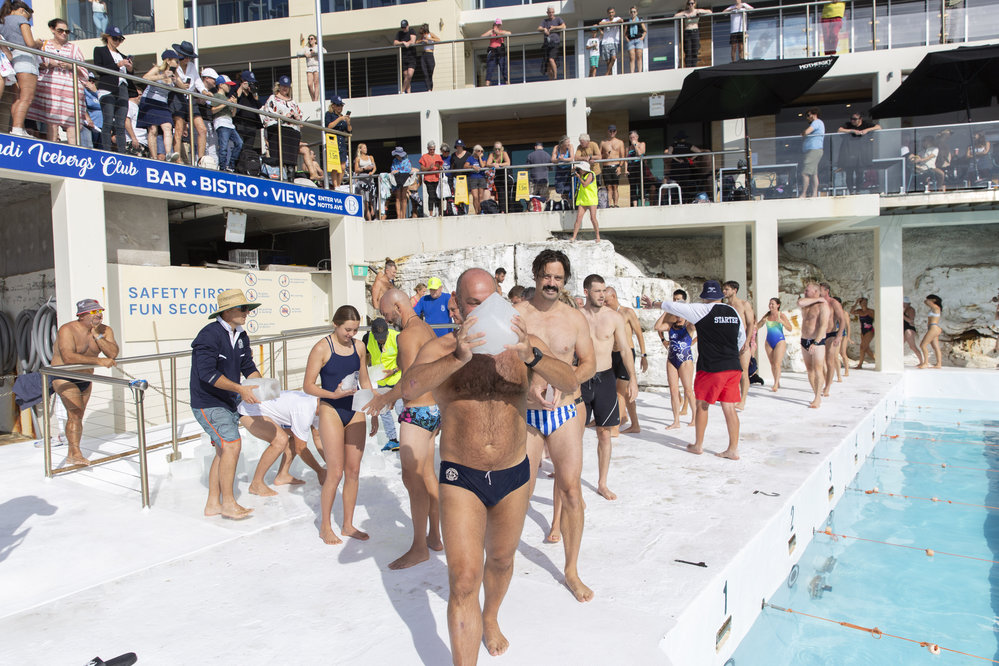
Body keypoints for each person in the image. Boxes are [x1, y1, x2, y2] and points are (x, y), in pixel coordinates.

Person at [401, 267, 577, 662]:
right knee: (463, 580)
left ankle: (491, 616)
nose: (484, 310)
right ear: (457, 307)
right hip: (461, 475)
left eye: (490, 301)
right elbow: (409, 388)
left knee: (500, 560)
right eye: (473, 303)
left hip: (513, 472)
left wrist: (532, 355)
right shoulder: (442, 347)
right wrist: (458, 358)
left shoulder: (522, 343)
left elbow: (570, 382)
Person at [515, 249, 596, 599]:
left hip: (564, 411)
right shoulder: (517, 315)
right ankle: (502, 560)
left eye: (558, 278)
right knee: (520, 491)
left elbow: (590, 363)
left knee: (571, 490)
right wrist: (525, 392)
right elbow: (498, 363)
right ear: (535, 276)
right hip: (527, 413)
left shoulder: (574, 318)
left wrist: (568, 383)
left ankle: (572, 570)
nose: (552, 283)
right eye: (547, 276)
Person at [366, 289, 443, 569]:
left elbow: (412, 382)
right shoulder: (426, 329)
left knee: (413, 482)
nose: (387, 321)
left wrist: (385, 397)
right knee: (427, 475)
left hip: (417, 412)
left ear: (398, 307)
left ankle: (419, 547)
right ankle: (434, 536)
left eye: (387, 315)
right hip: (433, 410)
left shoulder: (408, 335)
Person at [304, 305, 377, 544]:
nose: (351, 334)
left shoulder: (359, 346)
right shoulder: (322, 348)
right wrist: (331, 395)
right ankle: (325, 526)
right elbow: (308, 385)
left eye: (355, 330)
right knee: (335, 471)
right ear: (335, 324)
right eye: (348, 329)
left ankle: (347, 524)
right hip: (331, 409)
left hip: (355, 408)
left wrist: (374, 409)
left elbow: (364, 378)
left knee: (353, 471)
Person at [646, 280, 745, 458]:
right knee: (729, 408)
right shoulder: (732, 312)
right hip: (733, 367)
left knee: (702, 405)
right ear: (720, 296)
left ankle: (698, 445)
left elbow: (674, 306)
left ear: (705, 297)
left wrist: (654, 304)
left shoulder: (702, 310)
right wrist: (730, 354)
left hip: (712, 367)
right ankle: (733, 449)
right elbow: (741, 338)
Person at [190, 289, 261, 519]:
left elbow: (248, 367)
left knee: (223, 450)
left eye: (248, 308)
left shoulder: (240, 335)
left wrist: (262, 384)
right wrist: (240, 389)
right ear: (228, 311)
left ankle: (213, 504)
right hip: (208, 401)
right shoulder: (208, 335)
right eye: (243, 309)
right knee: (231, 445)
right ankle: (229, 503)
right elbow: (207, 374)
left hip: (227, 400)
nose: (247, 312)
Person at [579, 274, 637, 499]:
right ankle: (570, 478)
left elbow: (624, 349)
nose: (602, 295)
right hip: (580, 378)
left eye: (604, 291)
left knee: (604, 434)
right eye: (597, 291)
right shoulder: (576, 317)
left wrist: (632, 378)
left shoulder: (614, 318)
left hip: (605, 379)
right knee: (573, 434)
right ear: (586, 292)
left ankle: (602, 483)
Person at [50, 299, 118, 467]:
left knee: (77, 416)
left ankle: (73, 454)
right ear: (82, 315)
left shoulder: (104, 330)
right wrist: (99, 361)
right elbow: (68, 357)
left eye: (100, 311)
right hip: (63, 376)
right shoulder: (67, 329)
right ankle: (76, 454)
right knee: (75, 412)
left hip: (85, 379)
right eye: (94, 312)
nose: (99, 315)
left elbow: (113, 353)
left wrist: (98, 336)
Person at [238, 390, 326, 494]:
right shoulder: (305, 410)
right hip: (249, 411)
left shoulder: (319, 407)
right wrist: (320, 471)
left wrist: (331, 464)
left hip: (265, 410)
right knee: (280, 440)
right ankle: (256, 484)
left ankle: (282, 475)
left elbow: (318, 437)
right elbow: (300, 448)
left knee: (296, 436)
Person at [26, 18, 89, 145]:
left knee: (72, 123)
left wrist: (71, 66)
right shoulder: (44, 45)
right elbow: (35, 63)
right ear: (52, 29)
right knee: (52, 122)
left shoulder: (74, 48)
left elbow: (84, 71)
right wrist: (49, 63)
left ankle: (74, 152)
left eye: (67, 31)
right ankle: (52, 150)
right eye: (60, 30)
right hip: (50, 90)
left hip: (70, 91)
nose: (64, 33)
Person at [261, 75, 323, 181]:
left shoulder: (292, 101)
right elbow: (269, 114)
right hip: (279, 131)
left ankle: (291, 178)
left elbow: (299, 114)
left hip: (292, 132)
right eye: (283, 86)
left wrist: (297, 117)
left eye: (287, 86)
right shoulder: (273, 98)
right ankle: (281, 177)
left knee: (291, 159)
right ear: (278, 86)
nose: (285, 88)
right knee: (280, 157)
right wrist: (284, 117)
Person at [604, 286, 646, 435]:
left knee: (620, 392)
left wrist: (644, 356)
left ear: (614, 297)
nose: (604, 304)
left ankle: (615, 427)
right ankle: (633, 423)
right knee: (621, 392)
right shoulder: (606, 314)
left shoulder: (627, 312)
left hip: (627, 354)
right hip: (612, 354)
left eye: (606, 301)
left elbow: (639, 334)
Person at [1, 1, 40, 138]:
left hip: (12, 61)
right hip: (25, 59)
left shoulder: (2, 22)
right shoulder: (20, 19)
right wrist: (39, 43)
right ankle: (17, 128)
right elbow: (29, 43)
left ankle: (18, 128)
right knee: (27, 97)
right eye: (28, 16)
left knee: (17, 99)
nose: (28, 19)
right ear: (22, 11)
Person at [92, 26, 134, 153]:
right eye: (114, 38)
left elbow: (130, 76)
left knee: (121, 124)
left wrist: (130, 68)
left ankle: (122, 152)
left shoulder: (122, 55)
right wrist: (118, 65)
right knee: (108, 121)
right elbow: (99, 69)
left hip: (122, 88)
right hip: (107, 89)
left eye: (120, 39)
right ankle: (106, 150)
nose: (117, 41)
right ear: (107, 37)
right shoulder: (100, 50)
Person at [654, 306, 696, 428]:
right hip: (672, 359)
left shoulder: (689, 326)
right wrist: (666, 312)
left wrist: (688, 313)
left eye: (680, 314)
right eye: (676, 314)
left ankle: (694, 418)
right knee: (673, 391)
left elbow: (698, 324)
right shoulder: (670, 326)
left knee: (688, 390)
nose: (677, 317)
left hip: (685, 360)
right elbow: (657, 327)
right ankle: (676, 421)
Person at [136, 50, 180, 161]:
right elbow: (145, 78)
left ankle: (169, 153)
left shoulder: (175, 73)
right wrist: (162, 76)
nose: (178, 63)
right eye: (176, 61)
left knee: (168, 126)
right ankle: (154, 157)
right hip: (150, 100)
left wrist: (177, 81)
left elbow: (183, 88)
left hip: (162, 103)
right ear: (169, 61)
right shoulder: (158, 69)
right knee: (153, 129)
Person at [796, 282, 832, 409]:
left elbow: (823, 325)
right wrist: (817, 298)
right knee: (810, 370)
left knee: (818, 369)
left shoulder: (822, 306)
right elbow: (799, 302)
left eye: (807, 290)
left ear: (816, 292)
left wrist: (816, 342)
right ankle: (816, 393)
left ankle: (817, 397)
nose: (805, 292)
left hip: (817, 341)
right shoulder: (806, 304)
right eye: (805, 290)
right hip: (804, 339)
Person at [721, 281, 755, 411]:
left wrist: (747, 341)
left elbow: (751, 323)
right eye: (724, 289)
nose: (724, 292)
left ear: (735, 290)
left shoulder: (744, 304)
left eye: (727, 289)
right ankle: (732, 396)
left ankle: (743, 399)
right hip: (729, 342)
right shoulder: (725, 306)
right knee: (731, 372)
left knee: (743, 371)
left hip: (742, 341)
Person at [836, 111, 881, 194]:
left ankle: (858, 191)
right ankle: (851, 191)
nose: (852, 121)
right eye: (851, 119)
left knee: (859, 173)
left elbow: (878, 127)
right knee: (849, 173)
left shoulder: (865, 124)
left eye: (855, 119)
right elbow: (839, 130)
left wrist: (867, 130)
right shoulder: (848, 125)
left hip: (861, 154)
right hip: (850, 153)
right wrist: (852, 131)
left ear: (860, 119)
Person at [755, 298, 791, 391]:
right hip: (768, 341)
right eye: (770, 304)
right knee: (772, 363)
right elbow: (757, 327)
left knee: (777, 363)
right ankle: (777, 381)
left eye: (772, 304)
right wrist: (762, 322)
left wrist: (782, 322)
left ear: (778, 305)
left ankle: (775, 384)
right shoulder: (767, 315)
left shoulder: (781, 315)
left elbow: (790, 328)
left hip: (779, 341)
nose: (770, 306)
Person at [819, 282, 848, 396]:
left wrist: (839, 335)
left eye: (820, 290)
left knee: (829, 361)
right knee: (819, 362)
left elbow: (842, 320)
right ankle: (826, 381)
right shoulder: (818, 303)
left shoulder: (833, 303)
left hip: (831, 334)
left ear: (827, 291)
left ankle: (827, 387)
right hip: (820, 335)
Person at [211, 75, 242, 172]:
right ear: (220, 85)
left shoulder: (227, 98)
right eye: (227, 85)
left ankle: (231, 165)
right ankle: (223, 167)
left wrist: (234, 105)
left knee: (239, 143)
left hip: (230, 123)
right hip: (221, 122)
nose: (229, 87)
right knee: (223, 146)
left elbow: (233, 114)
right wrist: (227, 103)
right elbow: (213, 110)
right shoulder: (216, 96)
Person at [323, 95, 350, 187]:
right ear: (333, 106)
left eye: (341, 106)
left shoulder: (342, 117)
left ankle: (338, 184)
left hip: (341, 143)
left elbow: (349, 130)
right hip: (333, 142)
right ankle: (335, 185)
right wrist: (340, 119)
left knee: (343, 167)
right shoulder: (329, 114)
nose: (340, 108)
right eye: (338, 106)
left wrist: (348, 121)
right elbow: (329, 126)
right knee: (334, 166)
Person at [676, 0, 712, 68]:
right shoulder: (685, 12)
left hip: (695, 31)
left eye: (692, 3)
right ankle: (688, 67)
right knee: (688, 51)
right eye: (689, 4)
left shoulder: (697, 11)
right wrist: (684, 15)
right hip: (687, 31)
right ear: (687, 5)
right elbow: (675, 16)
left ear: (694, 4)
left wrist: (699, 12)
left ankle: (693, 66)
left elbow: (710, 11)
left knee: (695, 50)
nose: (691, 5)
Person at [571, 162, 599, 241]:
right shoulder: (582, 174)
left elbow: (585, 184)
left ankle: (597, 236)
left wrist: (579, 177)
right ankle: (574, 237)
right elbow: (571, 172)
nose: (580, 170)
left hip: (591, 199)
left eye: (581, 169)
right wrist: (574, 169)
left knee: (593, 218)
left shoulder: (591, 174)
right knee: (578, 218)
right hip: (583, 199)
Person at [800, 107, 825, 198]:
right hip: (814, 150)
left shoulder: (816, 122)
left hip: (813, 150)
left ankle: (804, 193)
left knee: (805, 173)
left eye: (808, 115)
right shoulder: (818, 123)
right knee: (814, 173)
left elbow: (807, 131)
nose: (807, 117)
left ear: (814, 114)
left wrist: (802, 134)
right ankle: (814, 194)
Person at [600, 125, 627, 207]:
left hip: (616, 166)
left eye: (614, 131)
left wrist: (620, 167)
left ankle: (616, 204)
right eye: (610, 131)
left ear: (616, 132)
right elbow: (599, 156)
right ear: (607, 131)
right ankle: (610, 204)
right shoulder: (603, 142)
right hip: (606, 166)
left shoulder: (620, 142)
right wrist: (605, 154)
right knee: (608, 187)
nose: (612, 133)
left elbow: (622, 156)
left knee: (615, 186)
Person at [627, 130, 653, 207]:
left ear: (637, 137)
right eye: (631, 138)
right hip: (631, 168)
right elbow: (626, 159)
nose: (632, 139)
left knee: (641, 185)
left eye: (633, 137)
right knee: (633, 187)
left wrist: (635, 145)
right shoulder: (628, 148)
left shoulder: (642, 144)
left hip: (639, 167)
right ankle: (635, 205)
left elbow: (640, 153)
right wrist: (626, 169)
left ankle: (643, 203)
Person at [538, 6, 565, 80]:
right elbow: (539, 28)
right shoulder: (545, 21)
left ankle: (555, 77)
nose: (551, 14)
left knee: (551, 59)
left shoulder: (558, 19)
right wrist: (544, 29)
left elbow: (564, 26)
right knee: (548, 63)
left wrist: (554, 27)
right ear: (547, 13)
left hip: (555, 43)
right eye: (550, 12)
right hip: (547, 43)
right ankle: (550, 79)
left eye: (552, 12)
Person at [482, 19, 511, 86]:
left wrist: (498, 32)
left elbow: (509, 33)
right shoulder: (491, 32)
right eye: (496, 25)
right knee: (490, 67)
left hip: (500, 51)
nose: (497, 26)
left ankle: (507, 82)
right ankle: (487, 83)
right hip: (492, 51)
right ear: (494, 25)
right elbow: (482, 36)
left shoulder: (502, 32)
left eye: (499, 25)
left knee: (504, 66)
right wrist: (491, 32)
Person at [918, 294, 943, 369]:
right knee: (935, 347)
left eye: (929, 299)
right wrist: (930, 300)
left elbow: (925, 302)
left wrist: (930, 300)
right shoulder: (934, 308)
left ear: (934, 300)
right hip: (933, 328)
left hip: (933, 327)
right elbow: (926, 302)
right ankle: (939, 364)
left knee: (923, 345)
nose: (927, 300)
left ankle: (926, 363)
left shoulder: (936, 307)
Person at [419, 140, 444, 216]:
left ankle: (437, 211)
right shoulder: (424, 156)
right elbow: (422, 168)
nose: (432, 151)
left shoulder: (438, 156)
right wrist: (429, 168)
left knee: (437, 195)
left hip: (436, 178)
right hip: (428, 179)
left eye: (433, 149)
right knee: (431, 195)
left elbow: (440, 167)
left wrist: (439, 167)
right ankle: (430, 213)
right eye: (430, 149)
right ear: (428, 149)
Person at [353, 143, 377, 220]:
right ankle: (368, 218)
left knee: (372, 197)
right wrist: (364, 168)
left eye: (366, 147)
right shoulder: (358, 158)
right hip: (362, 179)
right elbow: (356, 170)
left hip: (370, 178)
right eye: (364, 148)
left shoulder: (370, 157)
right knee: (365, 200)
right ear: (360, 149)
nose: (366, 149)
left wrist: (372, 172)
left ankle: (374, 215)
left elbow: (374, 167)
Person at [299, 34, 326, 102]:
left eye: (311, 39)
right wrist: (304, 54)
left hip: (316, 66)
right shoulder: (306, 48)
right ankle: (313, 98)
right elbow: (298, 53)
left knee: (316, 83)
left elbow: (325, 52)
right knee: (309, 84)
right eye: (309, 39)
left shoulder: (318, 47)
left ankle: (316, 99)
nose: (310, 40)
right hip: (309, 67)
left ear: (315, 40)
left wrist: (315, 52)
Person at [850, 297, 875, 368]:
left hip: (870, 331)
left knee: (862, 347)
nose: (864, 304)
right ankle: (877, 360)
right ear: (860, 304)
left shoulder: (871, 311)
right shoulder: (859, 311)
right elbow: (851, 312)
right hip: (863, 331)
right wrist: (856, 302)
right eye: (863, 302)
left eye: (865, 302)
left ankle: (860, 364)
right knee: (866, 349)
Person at [598, 7, 624, 76]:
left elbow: (621, 21)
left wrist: (613, 22)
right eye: (609, 13)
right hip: (605, 42)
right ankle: (610, 74)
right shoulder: (605, 20)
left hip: (614, 42)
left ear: (614, 13)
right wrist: (611, 23)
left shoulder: (617, 18)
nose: (611, 14)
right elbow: (600, 24)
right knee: (608, 62)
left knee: (613, 58)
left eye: (612, 12)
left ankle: (607, 73)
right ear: (607, 14)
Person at [486, 141, 512, 208]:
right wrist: (493, 164)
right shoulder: (492, 154)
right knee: (500, 195)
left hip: (506, 176)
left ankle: (509, 209)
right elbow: (487, 164)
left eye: (499, 149)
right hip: (498, 177)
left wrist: (499, 165)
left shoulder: (504, 153)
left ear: (502, 149)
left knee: (508, 194)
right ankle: (502, 210)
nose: (497, 150)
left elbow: (508, 163)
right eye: (496, 149)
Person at [394, 20, 417, 94]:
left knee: (409, 74)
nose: (404, 29)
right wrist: (403, 43)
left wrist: (408, 43)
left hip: (411, 55)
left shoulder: (411, 30)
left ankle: (402, 90)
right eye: (402, 28)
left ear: (408, 25)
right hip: (403, 56)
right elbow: (395, 43)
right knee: (405, 75)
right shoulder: (400, 33)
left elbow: (413, 41)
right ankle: (408, 91)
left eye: (405, 27)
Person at [552, 135, 575, 203]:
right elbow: (553, 159)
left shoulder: (570, 146)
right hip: (560, 170)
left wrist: (563, 159)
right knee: (560, 188)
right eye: (567, 142)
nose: (568, 144)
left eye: (569, 142)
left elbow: (571, 158)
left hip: (568, 169)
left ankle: (568, 202)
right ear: (562, 143)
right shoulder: (556, 147)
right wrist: (558, 159)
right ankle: (564, 202)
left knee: (568, 188)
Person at [466, 144, 488, 214]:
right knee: (475, 196)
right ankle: (476, 211)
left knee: (481, 196)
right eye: (479, 151)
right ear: (475, 151)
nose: (480, 152)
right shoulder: (470, 158)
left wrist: (480, 157)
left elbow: (482, 165)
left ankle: (481, 211)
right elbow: (465, 166)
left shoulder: (483, 158)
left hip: (481, 177)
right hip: (473, 178)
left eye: (482, 151)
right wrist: (472, 166)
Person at [624, 6, 647, 73]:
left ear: (636, 13)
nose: (633, 13)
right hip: (631, 41)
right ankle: (632, 72)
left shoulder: (640, 21)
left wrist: (642, 38)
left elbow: (645, 30)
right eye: (631, 12)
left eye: (634, 12)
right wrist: (627, 39)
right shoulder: (627, 22)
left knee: (639, 56)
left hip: (638, 40)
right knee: (632, 57)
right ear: (629, 13)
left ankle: (639, 72)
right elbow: (624, 33)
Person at [418, 23, 440, 92]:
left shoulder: (431, 34)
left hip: (430, 54)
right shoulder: (423, 36)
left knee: (430, 71)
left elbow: (438, 40)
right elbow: (417, 41)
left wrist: (429, 38)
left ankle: (431, 88)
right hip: (424, 54)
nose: (423, 34)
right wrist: (422, 41)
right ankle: (428, 89)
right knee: (425, 72)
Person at [903, 296, 923, 365]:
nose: (904, 305)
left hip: (909, 329)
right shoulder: (902, 309)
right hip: (903, 329)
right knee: (899, 345)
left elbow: (911, 321)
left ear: (909, 304)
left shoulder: (911, 310)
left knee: (912, 346)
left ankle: (921, 362)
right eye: (903, 303)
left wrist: (902, 315)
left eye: (905, 304)